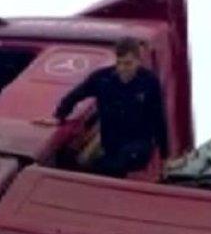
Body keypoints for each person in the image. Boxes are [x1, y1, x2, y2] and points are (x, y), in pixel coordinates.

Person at [54, 37, 170, 177]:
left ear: (138, 61)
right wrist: (59, 116)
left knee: (114, 165)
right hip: (110, 138)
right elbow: (75, 95)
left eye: (128, 64)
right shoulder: (102, 78)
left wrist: (165, 155)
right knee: (77, 161)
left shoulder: (149, 82)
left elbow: (158, 118)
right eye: (119, 63)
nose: (122, 69)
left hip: (138, 141)